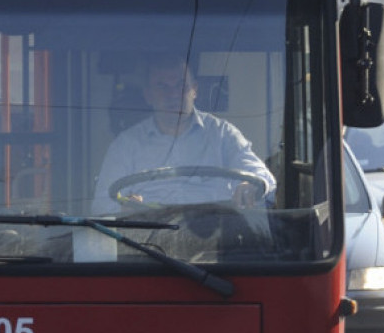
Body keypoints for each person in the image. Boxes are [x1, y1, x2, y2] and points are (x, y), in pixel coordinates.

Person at [92, 54, 275, 214]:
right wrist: (124, 208)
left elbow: (263, 178)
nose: (173, 94)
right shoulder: (126, 144)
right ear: (148, 95)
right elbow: (101, 205)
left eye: (181, 85)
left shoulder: (222, 134)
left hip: (216, 239)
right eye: (162, 86)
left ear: (194, 90)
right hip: (149, 240)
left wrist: (250, 185)